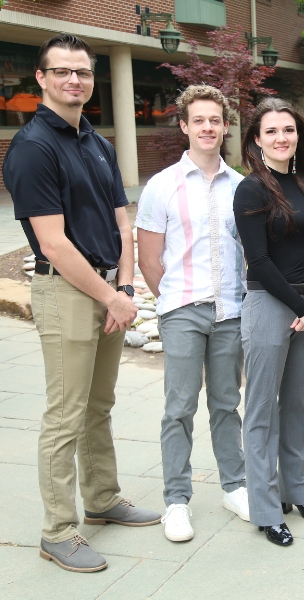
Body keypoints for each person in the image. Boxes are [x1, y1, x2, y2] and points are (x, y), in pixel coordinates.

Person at [2, 34, 160, 573]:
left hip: (109, 291)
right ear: (41, 79)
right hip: (67, 292)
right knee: (65, 415)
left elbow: (121, 221)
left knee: (98, 405)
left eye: (84, 72)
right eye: (62, 71)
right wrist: (110, 295)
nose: (75, 80)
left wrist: (126, 288)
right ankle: (57, 531)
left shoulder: (96, 141)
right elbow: (52, 243)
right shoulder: (32, 148)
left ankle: (103, 499)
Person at [135, 85, 249, 543]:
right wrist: (175, 302)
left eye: (214, 120)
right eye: (198, 120)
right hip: (183, 310)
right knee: (179, 408)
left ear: (225, 126)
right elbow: (148, 260)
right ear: (184, 125)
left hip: (230, 312)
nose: (207, 127)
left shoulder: (241, 186)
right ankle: (176, 501)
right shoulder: (162, 186)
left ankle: (235, 487)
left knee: (226, 404)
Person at [234, 98, 304, 547]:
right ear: (257, 139)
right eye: (271, 131)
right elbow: (258, 261)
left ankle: (299, 492)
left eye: (288, 130)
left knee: (297, 403)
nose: (281, 138)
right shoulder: (251, 190)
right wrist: (299, 307)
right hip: (269, 303)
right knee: (261, 409)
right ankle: (267, 510)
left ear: (298, 135)